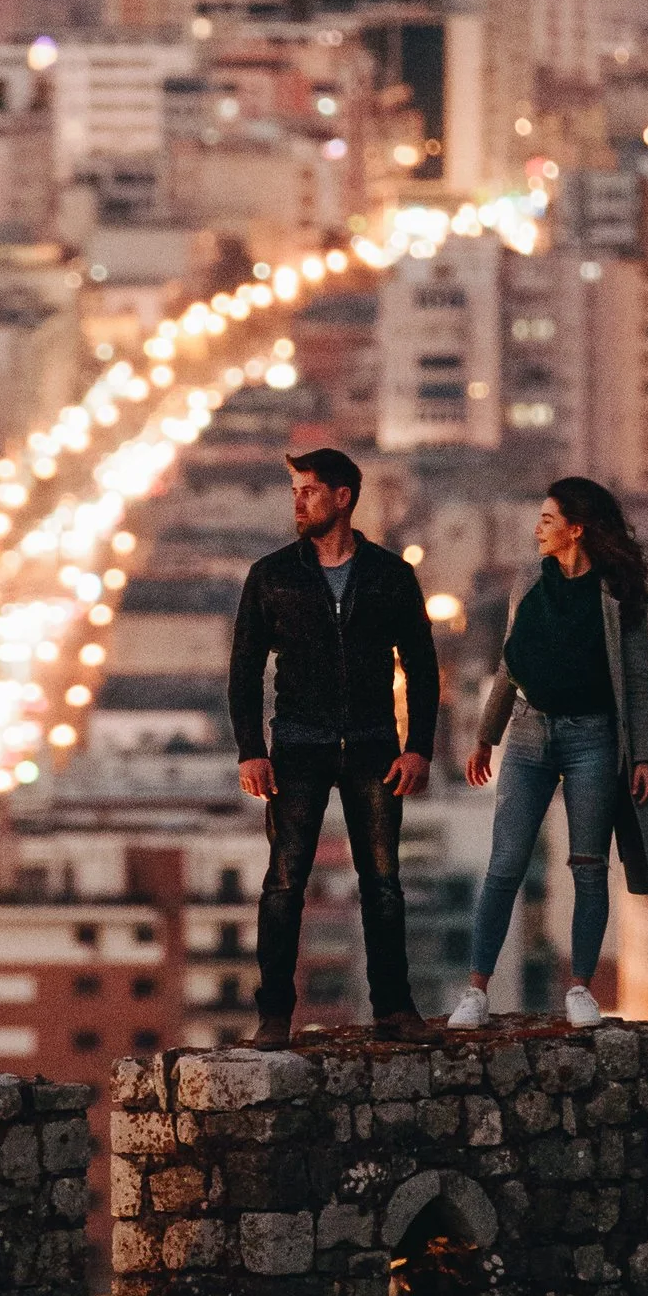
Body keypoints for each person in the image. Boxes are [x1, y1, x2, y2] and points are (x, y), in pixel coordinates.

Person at [227, 445, 439, 1048]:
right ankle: (274, 1016)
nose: (298, 501)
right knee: (284, 882)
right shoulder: (272, 575)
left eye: (310, 490)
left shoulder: (391, 575)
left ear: (343, 497)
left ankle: (394, 1011)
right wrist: (250, 749)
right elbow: (243, 670)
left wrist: (418, 747)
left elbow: (422, 668)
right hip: (297, 743)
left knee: (383, 882)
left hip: (375, 744)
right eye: (295, 491)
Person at [451, 476, 648, 1032]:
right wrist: (486, 735)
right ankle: (475, 992)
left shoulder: (618, 594)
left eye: (548, 520)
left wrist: (644, 756)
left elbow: (638, 682)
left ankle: (581, 989)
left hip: (594, 737)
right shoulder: (528, 582)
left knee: (589, 867)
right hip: (527, 734)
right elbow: (509, 664)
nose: (537, 529)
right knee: (505, 865)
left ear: (576, 530)